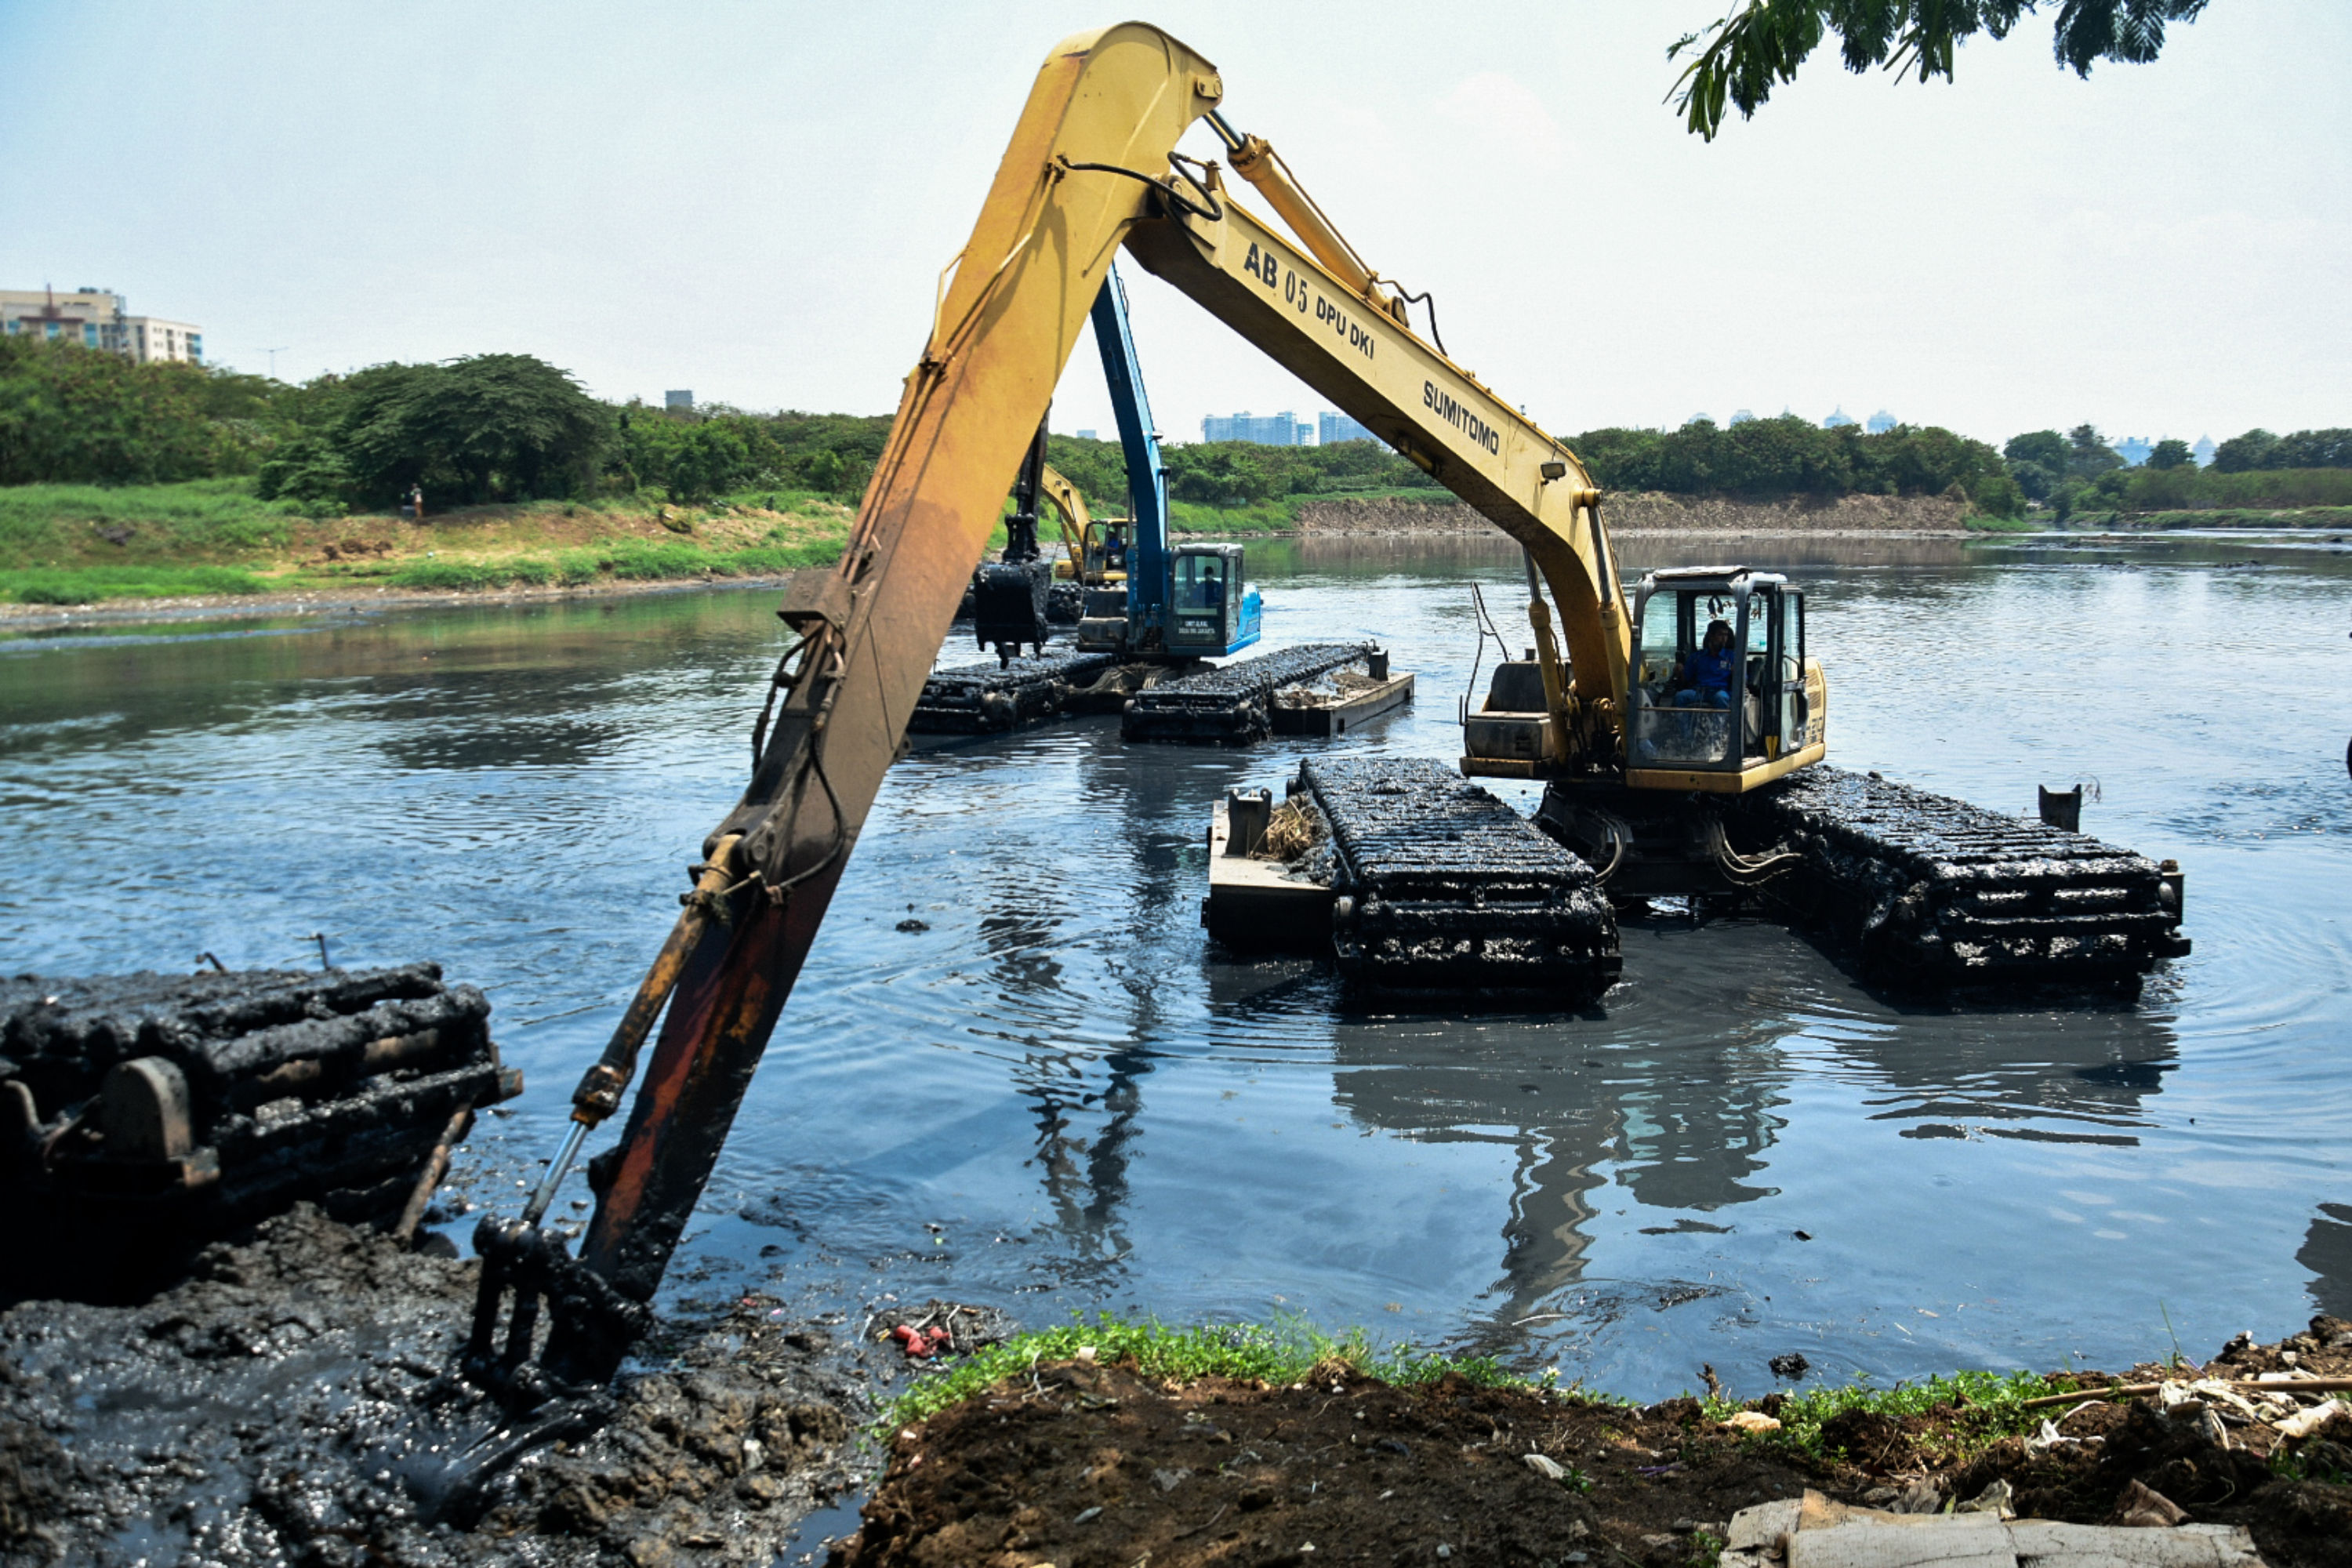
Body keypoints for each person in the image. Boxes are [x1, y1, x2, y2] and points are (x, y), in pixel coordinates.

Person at [1673, 619, 1737, 709]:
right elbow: (1686, 679)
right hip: (1699, 691)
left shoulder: (1732, 657)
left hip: (1720, 691)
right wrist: (1680, 672)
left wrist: (1736, 672)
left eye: (1726, 635)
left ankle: (1721, 719)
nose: (1724, 639)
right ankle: (1682, 719)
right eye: (1720, 635)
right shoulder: (1697, 657)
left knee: (1721, 698)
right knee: (1680, 696)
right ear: (1711, 636)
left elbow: (1743, 680)